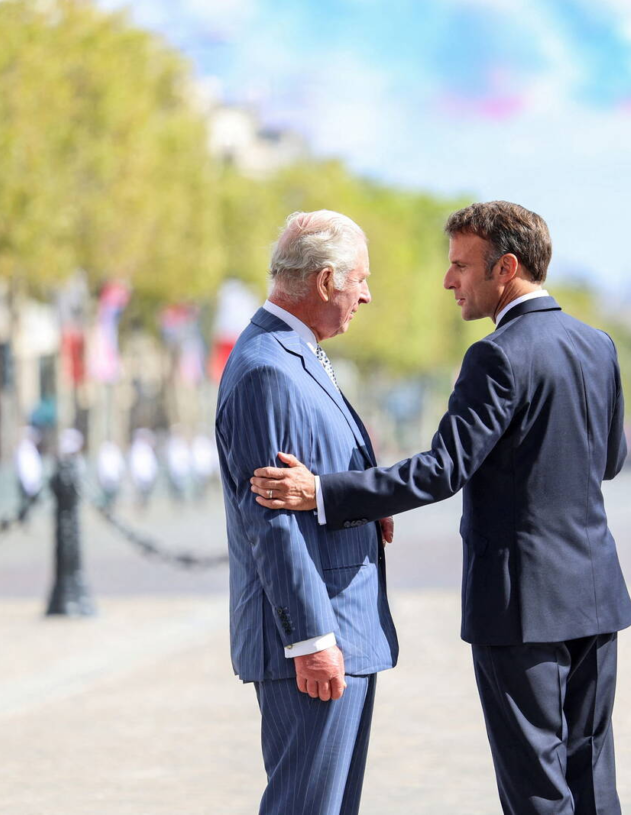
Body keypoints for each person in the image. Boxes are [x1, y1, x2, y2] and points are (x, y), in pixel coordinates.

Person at [252, 201, 631, 815]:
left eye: (461, 265)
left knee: (536, 786)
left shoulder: (497, 356)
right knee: (593, 776)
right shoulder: (597, 346)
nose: (449, 280)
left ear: (505, 267)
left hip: (520, 607)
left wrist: (324, 492)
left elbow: (442, 469)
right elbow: (610, 459)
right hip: (596, 594)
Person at [216, 210, 398, 815]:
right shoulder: (268, 367)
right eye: (360, 280)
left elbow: (310, 475)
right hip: (318, 640)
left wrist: (360, 502)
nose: (366, 295)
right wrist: (312, 640)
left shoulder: (296, 352)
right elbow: (270, 520)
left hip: (343, 629)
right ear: (325, 281)